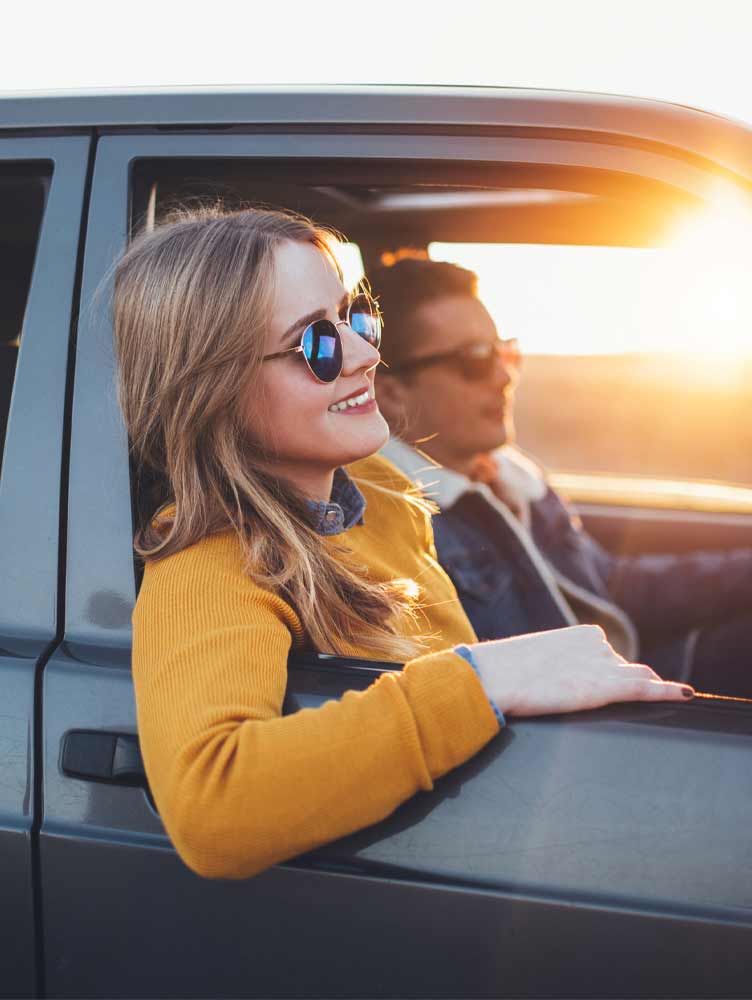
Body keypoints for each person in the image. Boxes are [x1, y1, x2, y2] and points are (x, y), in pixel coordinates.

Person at [112, 208, 692, 881]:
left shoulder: (382, 490)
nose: (366, 356)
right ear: (215, 388)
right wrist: (486, 680)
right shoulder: (211, 562)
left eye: (354, 318)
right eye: (316, 344)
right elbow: (211, 807)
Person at [373, 256, 752, 696]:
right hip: (591, 710)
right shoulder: (404, 523)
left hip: (627, 668)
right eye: (474, 360)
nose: (504, 376)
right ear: (392, 393)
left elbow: (607, 583)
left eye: (505, 352)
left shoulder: (507, 475)